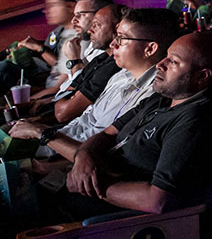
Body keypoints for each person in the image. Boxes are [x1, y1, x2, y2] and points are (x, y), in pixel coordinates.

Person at [51, 33, 212, 224]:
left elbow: (158, 201)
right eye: (166, 56)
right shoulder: (163, 97)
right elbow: (107, 133)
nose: (161, 64)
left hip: (110, 218)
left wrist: (89, 185)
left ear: (202, 76)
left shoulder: (193, 120)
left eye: (174, 62)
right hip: (85, 183)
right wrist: (84, 158)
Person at [8, 9, 179, 162]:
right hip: (55, 145)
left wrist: (41, 136)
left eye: (121, 38)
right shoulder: (119, 76)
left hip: (72, 160)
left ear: (150, 49)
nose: (113, 44)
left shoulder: (155, 95)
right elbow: (83, 122)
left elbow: (101, 148)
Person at [32, 5, 125, 124]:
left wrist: (74, 61)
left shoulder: (114, 65)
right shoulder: (101, 58)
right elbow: (71, 92)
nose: (90, 30)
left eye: (96, 24)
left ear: (117, 29)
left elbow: (64, 113)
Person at [0, 0, 82, 96]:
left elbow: (63, 83)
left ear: (70, 7)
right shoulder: (58, 32)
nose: (46, 11)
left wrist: (40, 48)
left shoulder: (77, 39)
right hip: (45, 83)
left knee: (4, 68)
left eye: (52, 5)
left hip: (55, 94)